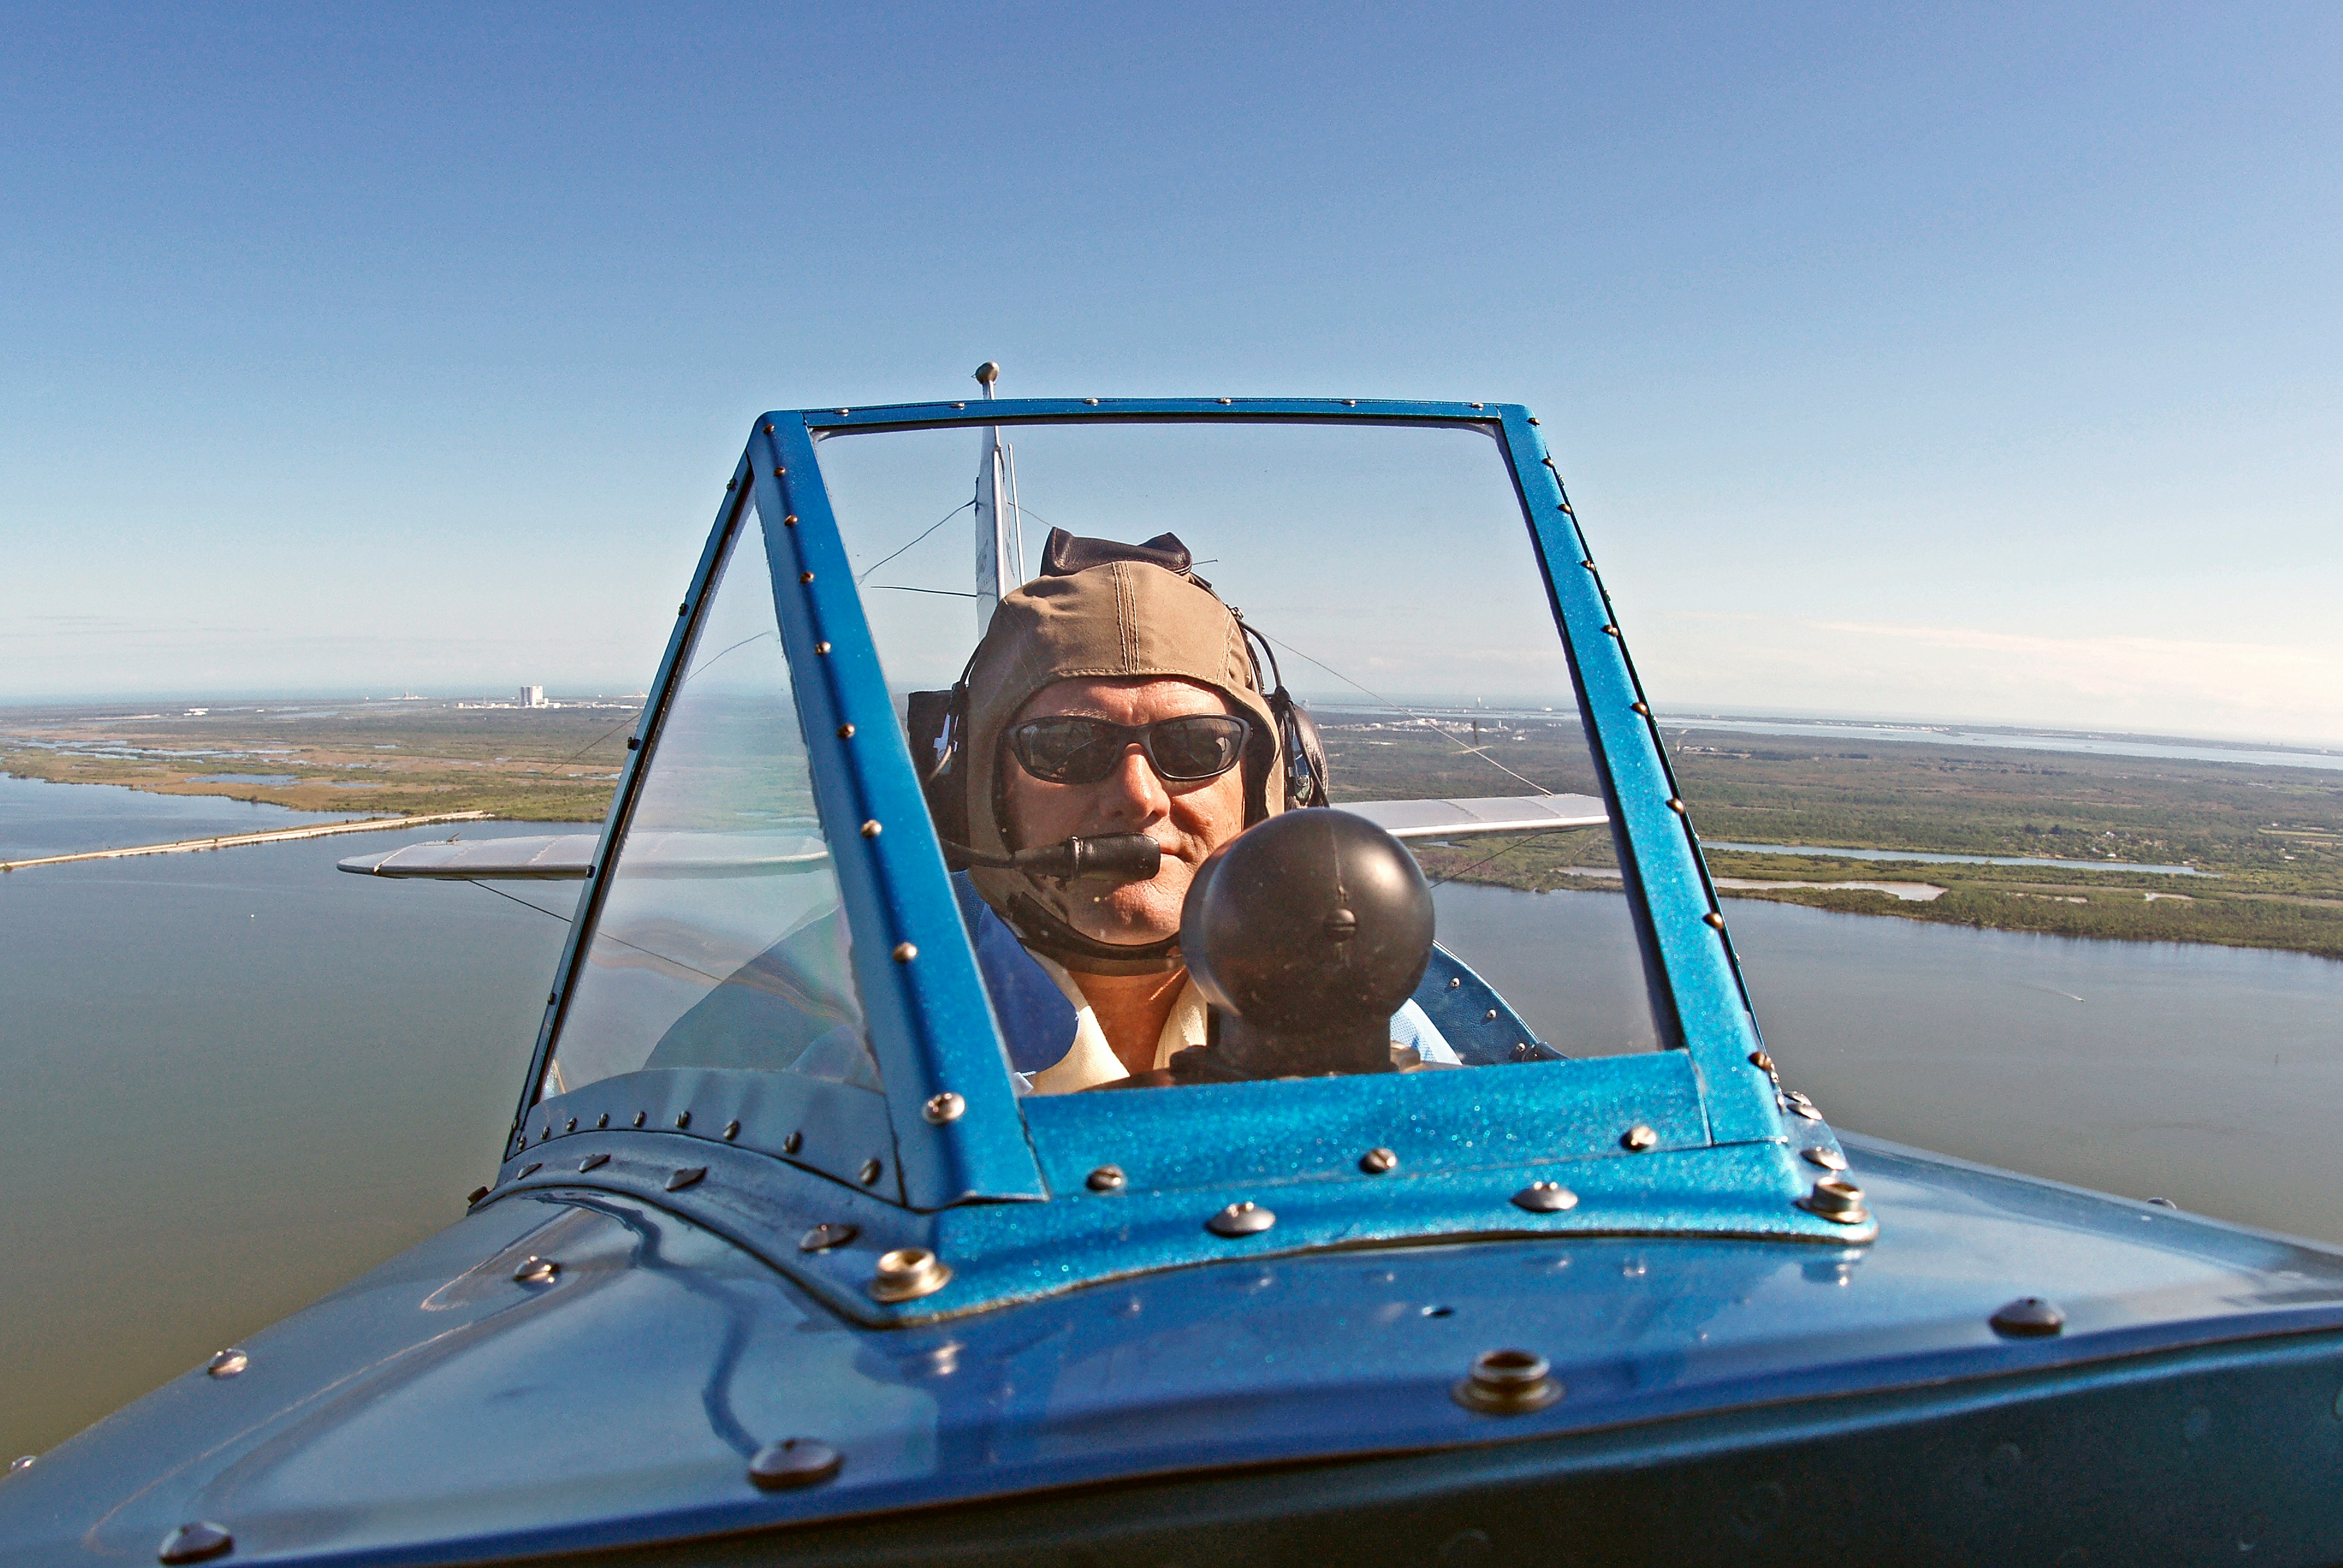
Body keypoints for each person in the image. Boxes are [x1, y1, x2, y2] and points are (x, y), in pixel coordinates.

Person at [939, 530, 1463, 1092]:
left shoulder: (1365, 1017)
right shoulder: (867, 1031)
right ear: (977, 791)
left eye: (1195, 745)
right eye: (1065, 744)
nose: (1139, 796)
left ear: (1269, 786)